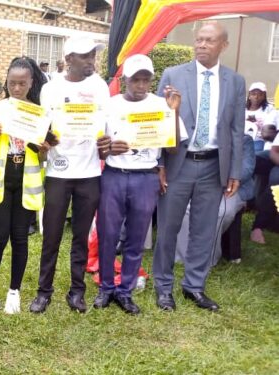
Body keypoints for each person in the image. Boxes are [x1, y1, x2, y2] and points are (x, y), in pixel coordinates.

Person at [153, 22, 245, 312]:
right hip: (178, 163)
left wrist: (234, 172)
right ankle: (164, 287)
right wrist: (158, 163)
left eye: (209, 40)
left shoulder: (236, 81)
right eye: (199, 40)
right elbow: (158, 122)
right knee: (168, 228)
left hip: (213, 166)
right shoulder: (174, 74)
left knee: (204, 230)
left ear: (223, 46)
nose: (201, 45)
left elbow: (236, 129)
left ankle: (194, 286)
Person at [93, 54, 184, 315]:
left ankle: (125, 290)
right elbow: (98, 149)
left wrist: (175, 111)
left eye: (146, 80)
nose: (141, 85)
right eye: (136, 80)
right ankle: (106, 287)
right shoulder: (110, 105)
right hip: (114, 175)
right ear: (125, 81)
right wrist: (109, 148)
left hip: (146, 177)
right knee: (108, 234)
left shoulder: (162, 104)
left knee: (136, 237)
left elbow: (174, 147)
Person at [30, 37, 109, 314]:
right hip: (58, 171)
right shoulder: (51, 89)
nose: (91, 60)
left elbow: (105, 126)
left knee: (80, 235)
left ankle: (77, 291)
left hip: (89, 173)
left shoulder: (99, 86)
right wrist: (45, 140)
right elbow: (44, 128)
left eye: (93, 55)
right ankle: (43, 291)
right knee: (51, 235)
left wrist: (106, 145)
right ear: (69, 59)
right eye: (85, 55)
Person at [0, 57, 48, 314]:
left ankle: (14, 292)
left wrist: (43, 150)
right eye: (12, 83)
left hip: (26, 181)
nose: (17, 89)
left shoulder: (40, 113)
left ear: (31, 82)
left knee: (20, 238)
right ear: (6, 82)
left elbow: (43, 157)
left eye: (22, 83)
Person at [176, 132, 255, 265]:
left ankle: (207, 260)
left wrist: (223, 180)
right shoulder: (202, 137)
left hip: (232, 188)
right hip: (201, 185)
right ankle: (182, 257)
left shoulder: (244, 139)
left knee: (219, 213)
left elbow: (247, 168)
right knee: (185, 209)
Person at [244, 82, 277, 151]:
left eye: (260, 94)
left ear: (264, 97)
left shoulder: (269, 109)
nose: (256, 97)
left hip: (258, 140)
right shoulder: (241, 108)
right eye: (253, 94)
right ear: (249, 96)